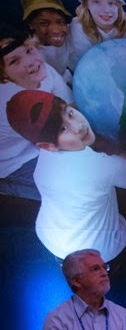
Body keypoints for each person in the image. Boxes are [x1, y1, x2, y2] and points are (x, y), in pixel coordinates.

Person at [7, 90, 126, 261]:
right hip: (100, 251)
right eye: (63, 129)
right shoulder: (95, 166)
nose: (78, 126)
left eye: (70, 113)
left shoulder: (44, 157)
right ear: (47, 146)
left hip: (53, 240)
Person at [0, 24, 73, 200]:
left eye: (29, 50)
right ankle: (7, 185)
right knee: (69, 192)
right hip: (14, 163)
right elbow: (60, 138)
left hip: (41, 146)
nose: (30, 62)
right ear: (4, 75)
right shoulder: (9, 103)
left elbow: (71, 106)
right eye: (14, 61)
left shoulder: (43, 70)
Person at [20, 0, 73, 80]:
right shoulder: (27, 53)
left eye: (61, 22)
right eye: (44, 23)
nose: (56, 30)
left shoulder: (71, 32)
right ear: (31, 25)